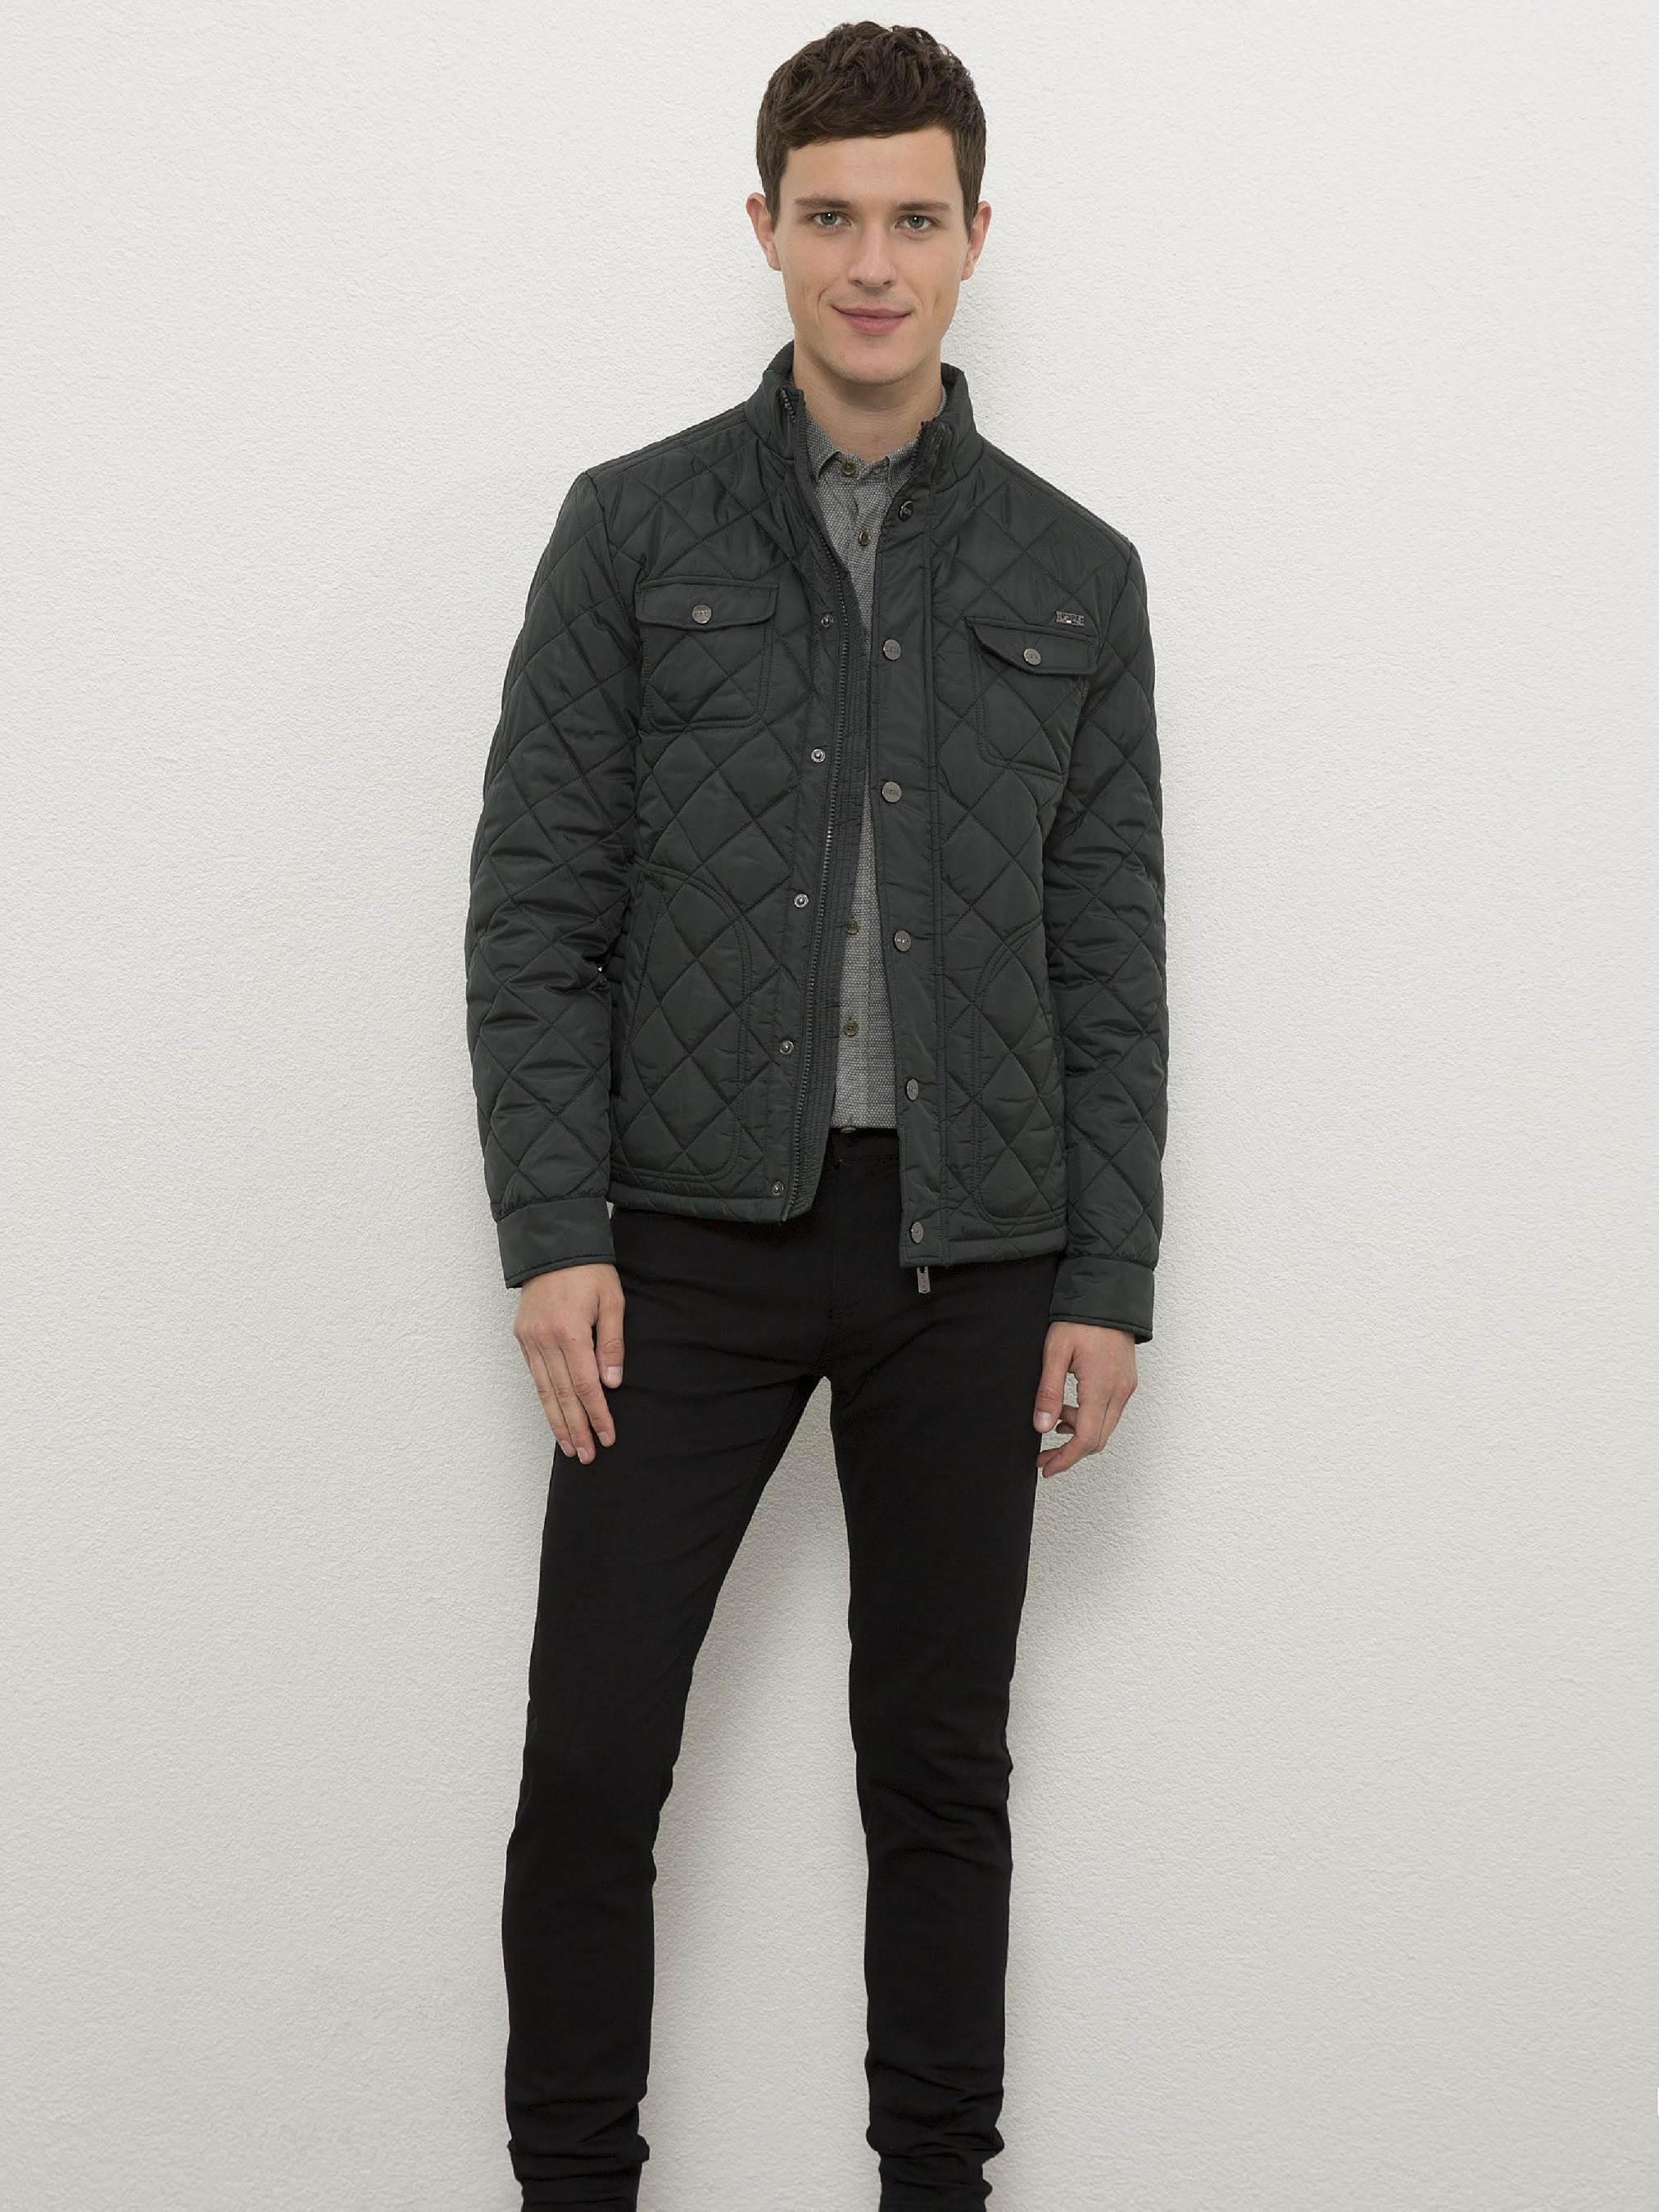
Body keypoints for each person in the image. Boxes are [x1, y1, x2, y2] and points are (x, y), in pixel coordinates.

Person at [464, 22, 1167, 2208]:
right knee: (594, 1754)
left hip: (978, 1250)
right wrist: (552, 1227)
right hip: (680, 1247)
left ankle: (935, 2188)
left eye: (914, 218)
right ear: (765, 228)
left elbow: (1108, 952)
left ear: (974, 238)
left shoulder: (1076, 572)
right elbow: (535, 903)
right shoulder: (630, 528)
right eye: (834, 217)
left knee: (937, 1770)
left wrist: (1109, 1275)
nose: (874, 263)